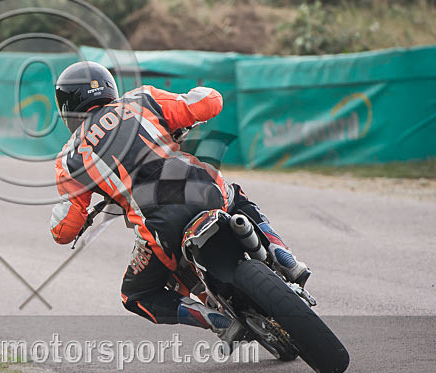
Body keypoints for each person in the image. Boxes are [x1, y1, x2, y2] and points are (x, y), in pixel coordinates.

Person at [49, 61, 310, 343]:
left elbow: (65, 230)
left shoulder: (69, 158)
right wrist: (191, 107)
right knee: (235, 195)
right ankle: (284, 255)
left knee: (135, 295)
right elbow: (209, 102)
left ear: (66, 107)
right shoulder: (141, 99)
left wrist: (68, 224)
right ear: (111, 87)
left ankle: (214, 319)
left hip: (159, 228)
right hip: (205, 190)